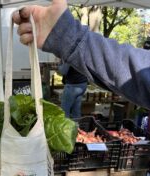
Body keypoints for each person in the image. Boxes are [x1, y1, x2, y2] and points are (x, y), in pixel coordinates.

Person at [12, 0, 150, 110]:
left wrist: (66, 38)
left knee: (65, 111)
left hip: (72, 86)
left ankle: (70, 142)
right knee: (76, 112)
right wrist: (65, 35)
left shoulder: (68, 60)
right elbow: (136, 71)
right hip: (82, 85)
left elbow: (63, 71)